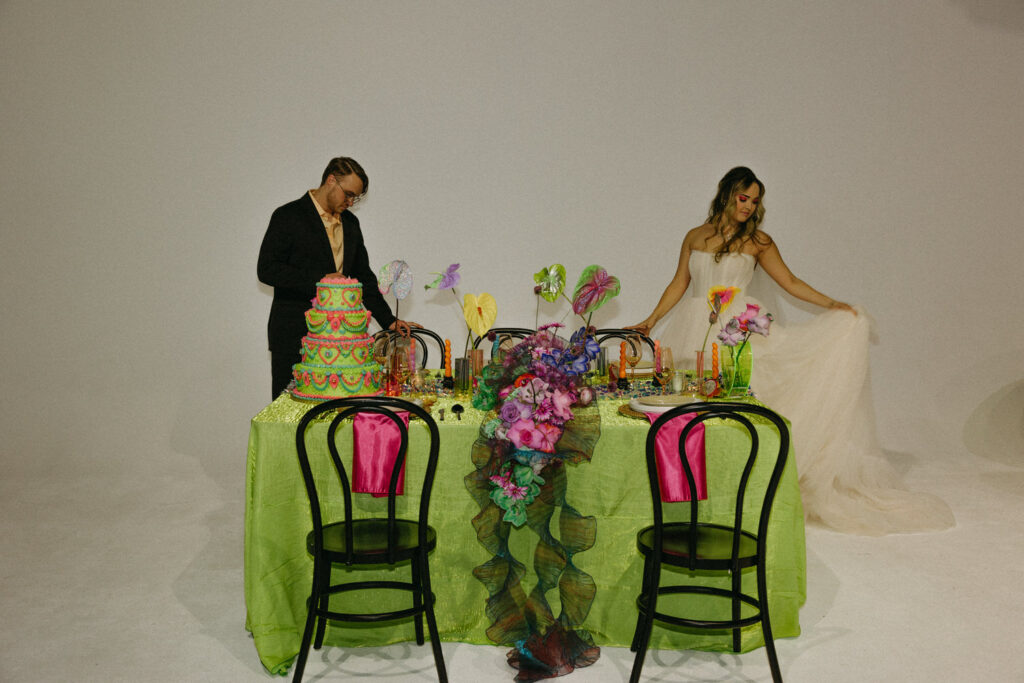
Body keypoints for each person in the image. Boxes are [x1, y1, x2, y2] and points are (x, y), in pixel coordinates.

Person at [628, 166, 954, 535]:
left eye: (755, 201)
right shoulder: (694, 236)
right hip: (694, 324)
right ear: (726, 193)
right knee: (695, 407)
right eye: (743, 198)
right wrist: (651, 320)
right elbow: (679, 283)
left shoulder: (759, 242)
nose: (749, 207)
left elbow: (791, 282)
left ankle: (745, 488)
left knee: (742, 403)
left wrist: (834, 304)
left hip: (738, 326)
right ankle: (699, 491)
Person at [258, 156, 416, 399]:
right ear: (331, 180)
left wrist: (388, 320)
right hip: (294, 336)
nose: (351, 202)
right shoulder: (288, 215)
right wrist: (320, 280)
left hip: (342, 343)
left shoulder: (351, 224)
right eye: (349, 194)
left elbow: (363, 276)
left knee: (337, 418)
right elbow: (267, 269)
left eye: (357, 198)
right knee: (288, 417)